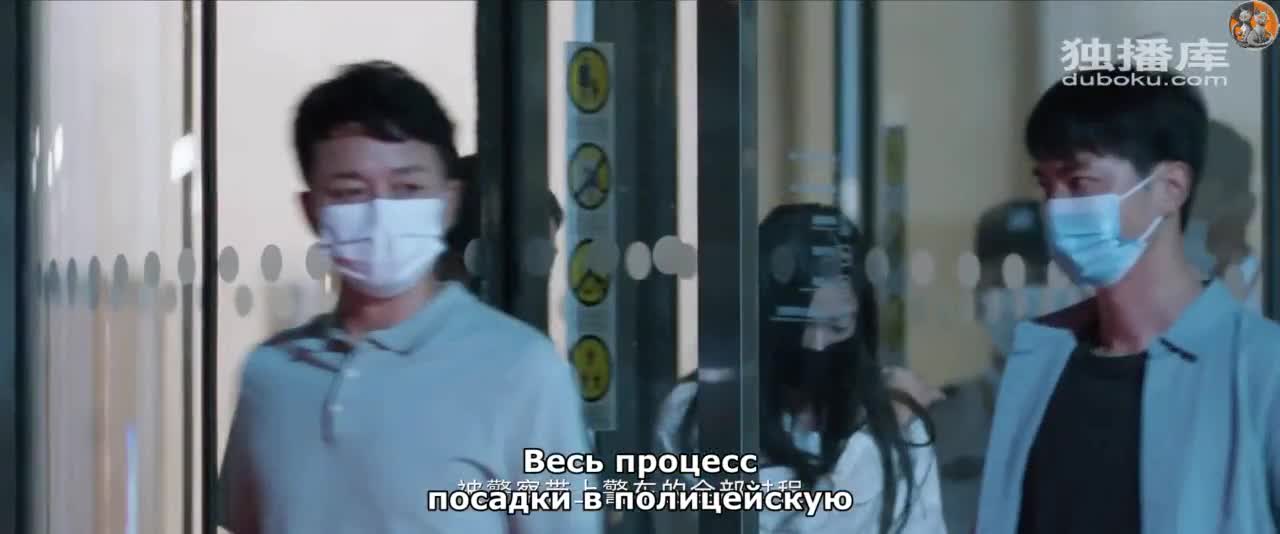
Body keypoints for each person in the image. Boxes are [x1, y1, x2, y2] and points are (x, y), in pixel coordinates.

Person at [217, 61, 602, 534]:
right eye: (350, 191)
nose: (381, 212)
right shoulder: (269, 375)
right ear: (311, 209)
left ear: (449, 200)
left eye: (408, 188)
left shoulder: (523, 372)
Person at [976, 69, 1280, 533]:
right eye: (1046, 185)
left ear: (1171, 187)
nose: (1056, 207)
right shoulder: (1039, 361)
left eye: (1079, 181)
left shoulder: (1262, 369)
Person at [654, 203, 948, 534]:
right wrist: (871, 445)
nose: (818, 345)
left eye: (837, 326)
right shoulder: (697, 414)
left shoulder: (893, 416)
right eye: (798, 327)